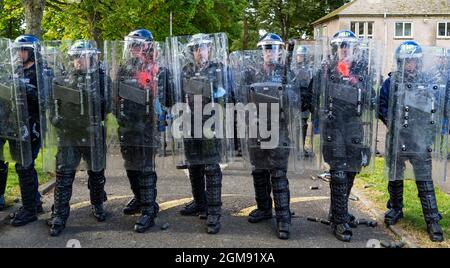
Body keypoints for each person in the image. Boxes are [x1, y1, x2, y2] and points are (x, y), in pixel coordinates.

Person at [379, 41, 446, 242]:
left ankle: (432, 220)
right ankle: (396, 209)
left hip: (419, 139)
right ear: (401, 62)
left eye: (413, 61)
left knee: (424, 181)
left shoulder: (427, 81)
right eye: (407, 61)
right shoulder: (390, 82)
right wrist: (393, 122)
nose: (410, 64)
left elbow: (435, 106)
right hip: (397, 137)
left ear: (418, 62)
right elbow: (381, 105)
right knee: (395, 176)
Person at [317, 30, 378, 242]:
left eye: (347, 45)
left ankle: (338, 212)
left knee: (352, 170)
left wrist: (352, 80)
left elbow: (371, 97)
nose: (344, 48)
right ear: (336, 48)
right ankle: (340, 221)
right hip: (334, 125)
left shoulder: (362, 69)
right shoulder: (326, 67)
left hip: (354, 124)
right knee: (339, 172)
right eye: (341, 45)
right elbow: (315, 94)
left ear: (353, 48)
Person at [107, 29, 170, 233]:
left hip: (147, 124)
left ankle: (149, 210)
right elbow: (114, 95)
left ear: (147, 46)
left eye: (137, 45)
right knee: (130, 165)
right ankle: (140, 197)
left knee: (144, 167)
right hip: (127, 123)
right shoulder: (124, 68)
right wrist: (118, 115)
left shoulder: (157, 67)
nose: (133, 49)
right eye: (131, 45)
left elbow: (165, 97)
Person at [44, 40, 109, 237]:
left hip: (92, 133)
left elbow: (107, 109)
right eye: (74, 57)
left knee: (96, 174)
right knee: (64, 176)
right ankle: (59, 215)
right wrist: (57, 119)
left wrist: (89, 96)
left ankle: (98, 204)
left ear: (91, 58)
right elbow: (52, 106)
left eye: (81, 56)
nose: (77, 60)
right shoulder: (61, 80)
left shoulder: (101, 79)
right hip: (69, 135)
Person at [172, 33, 228, 234]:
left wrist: (208, 91)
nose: (199, 51)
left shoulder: (218, 68)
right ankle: (199, 202)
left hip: (210, 122)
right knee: (194, 165)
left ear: (209, 49)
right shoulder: (186, 70)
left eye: (202, 47)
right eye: (196, 48)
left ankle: (214, 211)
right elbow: (177, 94)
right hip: (189, 121)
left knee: (211, 167)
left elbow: (226, 93)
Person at [0, 35, 44, 225]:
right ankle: (34, 202)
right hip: (14, 125)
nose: (19, 53)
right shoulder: (14, 71)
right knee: (22, 166)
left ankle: (29, 211)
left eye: (23, 49)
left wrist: (26, 89)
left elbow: (45, 101)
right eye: (17, 50)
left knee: (25, 166)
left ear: (32, 51)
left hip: (32, 126)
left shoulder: (42, 72)